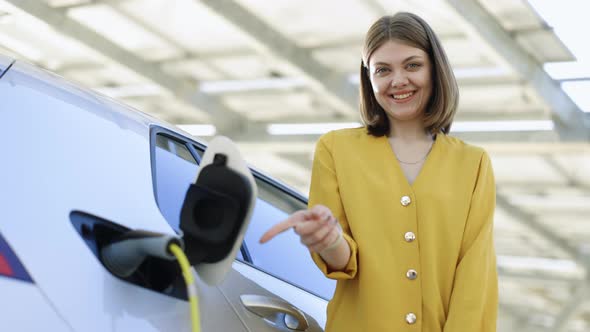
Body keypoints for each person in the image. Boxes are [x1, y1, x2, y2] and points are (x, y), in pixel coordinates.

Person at [260, 12, 498, 332]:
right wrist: (328, 240)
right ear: (368, 79)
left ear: (435, 69)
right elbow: (343, 260)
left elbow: (475, 280)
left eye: (412, 65)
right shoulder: (335, 150)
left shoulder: (474, 164)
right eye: (382, 70)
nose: (398, 80)